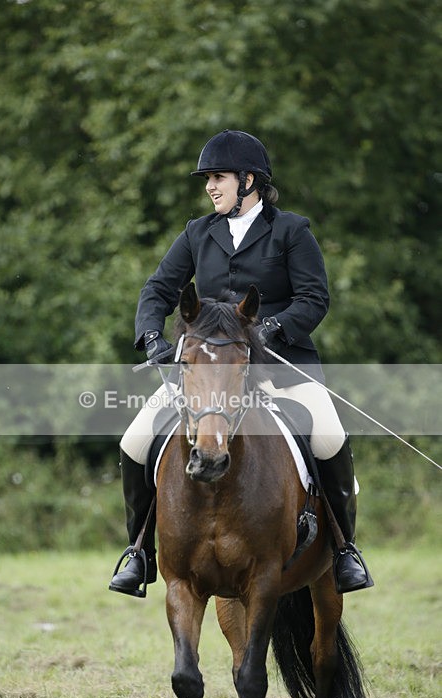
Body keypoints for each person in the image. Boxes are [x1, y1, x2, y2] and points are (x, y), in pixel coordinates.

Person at [109, 129, 372, 597]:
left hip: (281, 368)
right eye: (208, 179)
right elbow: (158, 290)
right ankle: (140, 552)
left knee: (330, 436)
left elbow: (314, 298)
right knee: (134, 440)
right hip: (208, 371)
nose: (210, 186)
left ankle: (345, 548)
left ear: (248, 180)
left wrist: (270, 329)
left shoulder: (291, 231)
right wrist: (151, 336)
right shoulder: (197, 233)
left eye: (219, 177)